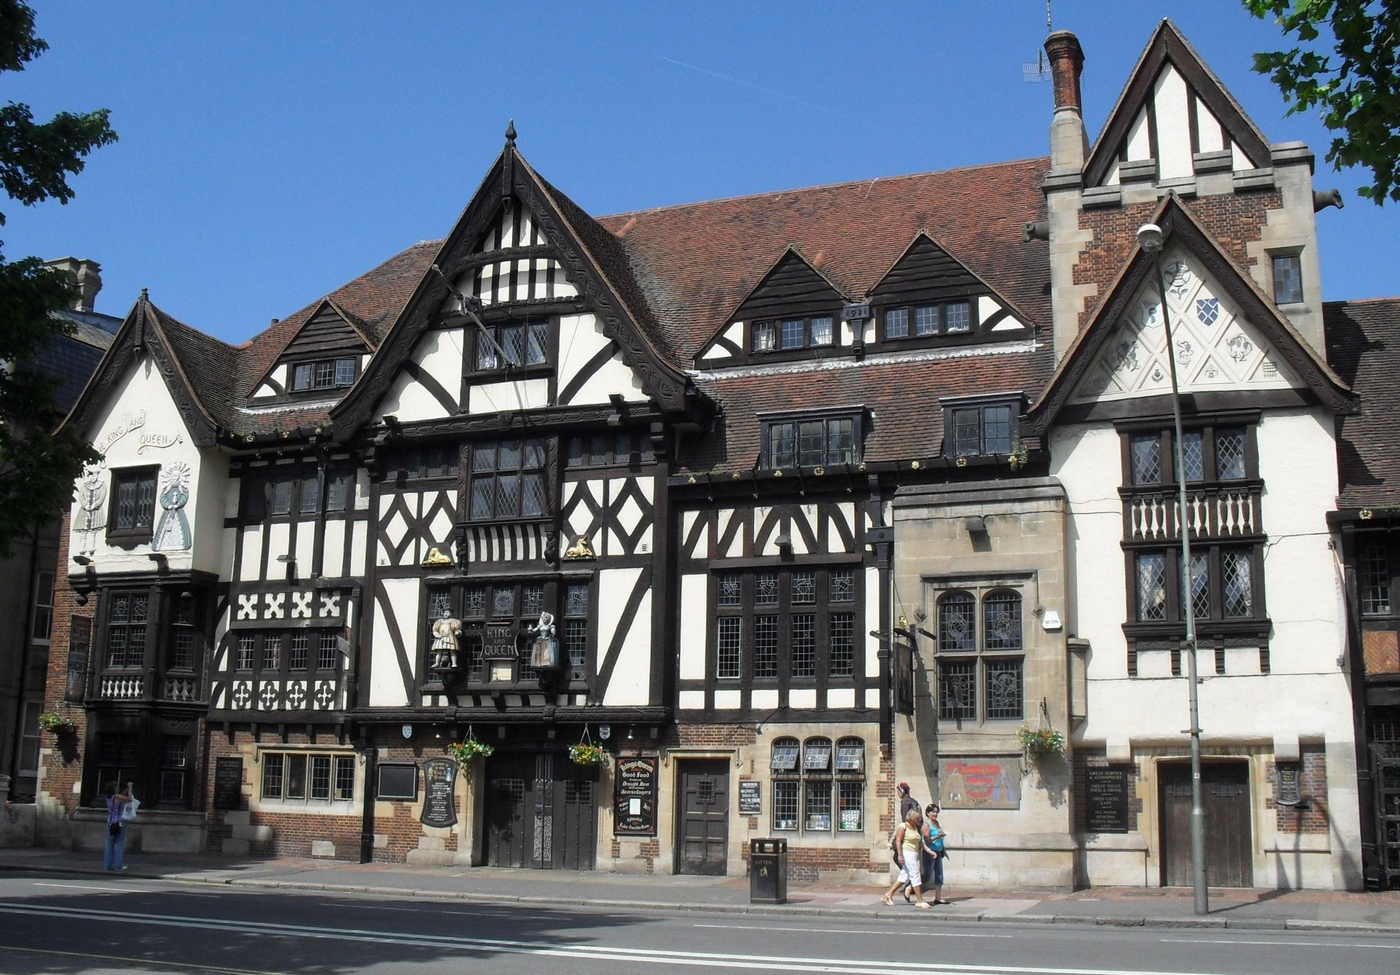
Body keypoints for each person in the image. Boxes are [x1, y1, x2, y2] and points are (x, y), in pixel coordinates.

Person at [881, 808, 933, 909]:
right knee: (915, 875)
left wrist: (929, 850)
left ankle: (889, 894)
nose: (918, 821)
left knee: (904, 876)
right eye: (916, 819)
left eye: (918, 819)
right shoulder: (903, 826)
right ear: (911, 818)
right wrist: (900, 855)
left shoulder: (915, 828)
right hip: (907, 853)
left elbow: (919, 842)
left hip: (914, 853)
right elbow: (898, 841)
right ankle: (919, 900)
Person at [922, 803, 948, 905]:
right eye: (933, 812)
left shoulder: (936, 823)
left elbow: (940, 837)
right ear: (928, 813)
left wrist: (943, 849)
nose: (935, 814)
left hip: (938, 851)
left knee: (939, 874)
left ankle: (938, 897)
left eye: (936, 812)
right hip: (930, 852)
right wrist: (938, 836)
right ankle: (911, 886)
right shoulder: (926, 824)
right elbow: (926, 840)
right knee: (927, 875)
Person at [104, 781, 133, 871]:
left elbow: (121, 796)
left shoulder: (109, 798)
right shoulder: (117, 797)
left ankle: (107, 865)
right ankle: (118, 865)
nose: (118, 788)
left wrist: (125, 790)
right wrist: (130, 788)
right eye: (116, 787)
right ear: (114, 788)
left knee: (110, 844)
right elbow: (129, 799)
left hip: (110, 822)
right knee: (119, 844)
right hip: (120, 822)